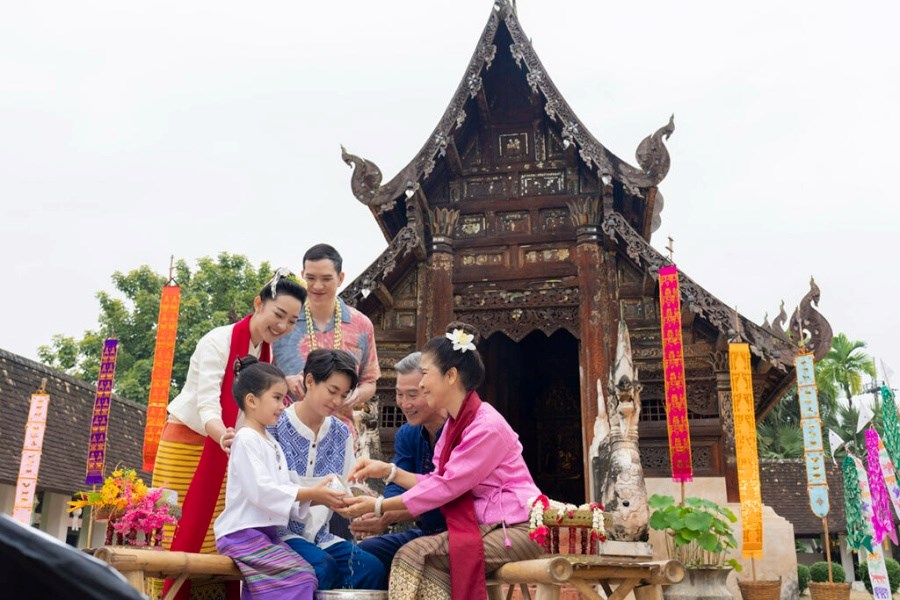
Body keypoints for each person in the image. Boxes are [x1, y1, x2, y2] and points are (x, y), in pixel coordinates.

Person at [340, 322, 544, 600]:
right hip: (488, 526)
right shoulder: (454, 426)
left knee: (415, 553)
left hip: (518, 527)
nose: (421, 384)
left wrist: (378, 506)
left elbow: (446, 486)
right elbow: (438, 481)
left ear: (450, 375)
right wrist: (390, 472)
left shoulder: (486, 425)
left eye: (425, 374)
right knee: (422, 561)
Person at [151, 268, 306, 599]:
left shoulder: (266, 352)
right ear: (258, 304)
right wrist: (223, 435)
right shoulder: (217, 341)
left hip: (229, 449)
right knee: (174, 536)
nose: (282, 326)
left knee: (218, 545)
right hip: (190, 444)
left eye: (292, 321)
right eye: (279, 314)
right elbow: (208, 404)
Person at [269, 348, 386, 590]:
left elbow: (348, 486)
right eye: (332, 391)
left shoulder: (340, 433)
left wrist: (362, 506)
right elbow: (267, 491)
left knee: (371, 568)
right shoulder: (275, 426)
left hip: (319, 536)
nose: (337, 402)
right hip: (278, 535)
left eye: (343, 395)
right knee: (322, 566)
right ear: (309, 380)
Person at [214, 356, 319, 600]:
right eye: (276, 398)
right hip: (240, 534)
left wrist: (319, 496)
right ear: (251, 400)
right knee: (301, 576)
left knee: (301, 577)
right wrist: (311, 493)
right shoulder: (245, 439)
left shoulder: (270, 442)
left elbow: (282, 489)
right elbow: (262, 491)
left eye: (283, 399)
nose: (283, 405)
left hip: (262, 533)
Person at [351, 352, 448, 587]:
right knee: (366, 552)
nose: (404, 403)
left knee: (413, 554)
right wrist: (381, 515)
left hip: (459, 531)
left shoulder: (462, 431)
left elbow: (443, 492)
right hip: (426, 531)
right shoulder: (407, 433)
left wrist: (381, 507)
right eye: (399, 393)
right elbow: (396, 488)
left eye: (412, 394)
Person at [273, 243, 381, 435]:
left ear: (340, 279)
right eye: (310, 278)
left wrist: (355, 395)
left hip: (340, 432)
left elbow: (370, 381)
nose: (317, 286)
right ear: (302, 276)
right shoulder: (283, 320)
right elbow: (258, 372)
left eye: (326, 279)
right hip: (286, 429)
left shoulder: (361, 325)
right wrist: (285, 381)